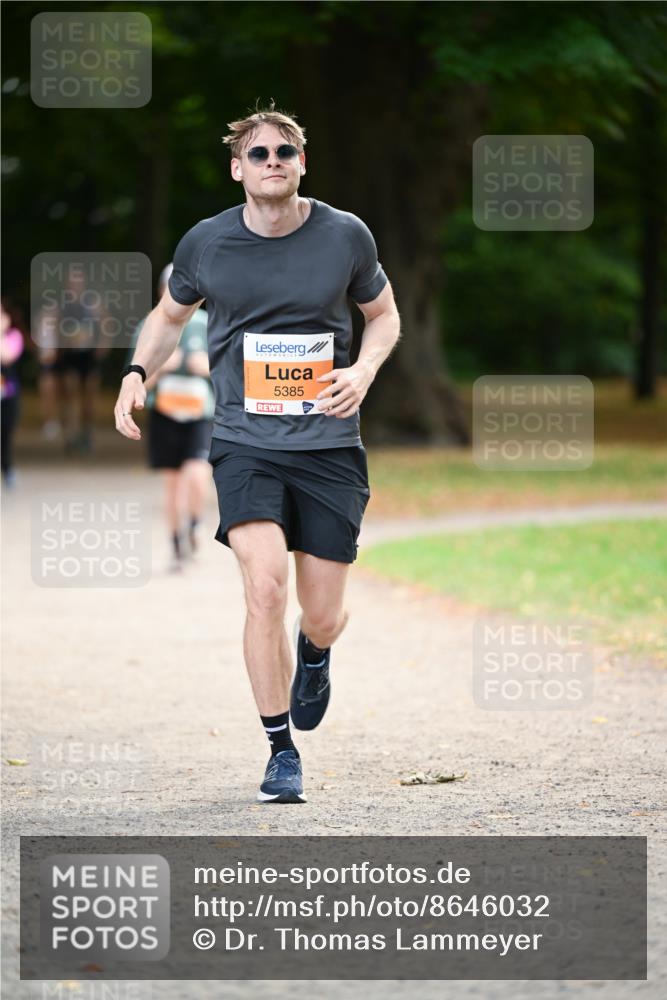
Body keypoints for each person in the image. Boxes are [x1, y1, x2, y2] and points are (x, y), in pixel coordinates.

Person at [114, 105, 401, 803]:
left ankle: (316, 652)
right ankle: (280, 750)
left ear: (301, 163)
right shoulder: (207, 243)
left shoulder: (345, 236)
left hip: (329, 444)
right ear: (237, 167)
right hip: (245, 442)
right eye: (259, 152)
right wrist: (134, 375)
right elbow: (168, 316)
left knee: (322, 611)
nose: (273, 160)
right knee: (263, 584)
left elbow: (383, 316)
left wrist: (361, 373)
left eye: (285, 151)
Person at [128, 264, 214, 571]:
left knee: (197, 474)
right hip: (165, 413)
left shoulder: (208, 324)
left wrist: (205, 368)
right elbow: (136, 383)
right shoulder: (148, 328)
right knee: (173, 483)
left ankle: (194, 522)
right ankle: (177, 542)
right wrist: (161, 367)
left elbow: (233, 377)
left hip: (201, 413)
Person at [1, 298, 25, 487]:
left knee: (5, 434)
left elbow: (7, 357)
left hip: (7, 395)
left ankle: (7, 469)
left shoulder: (14, 336)